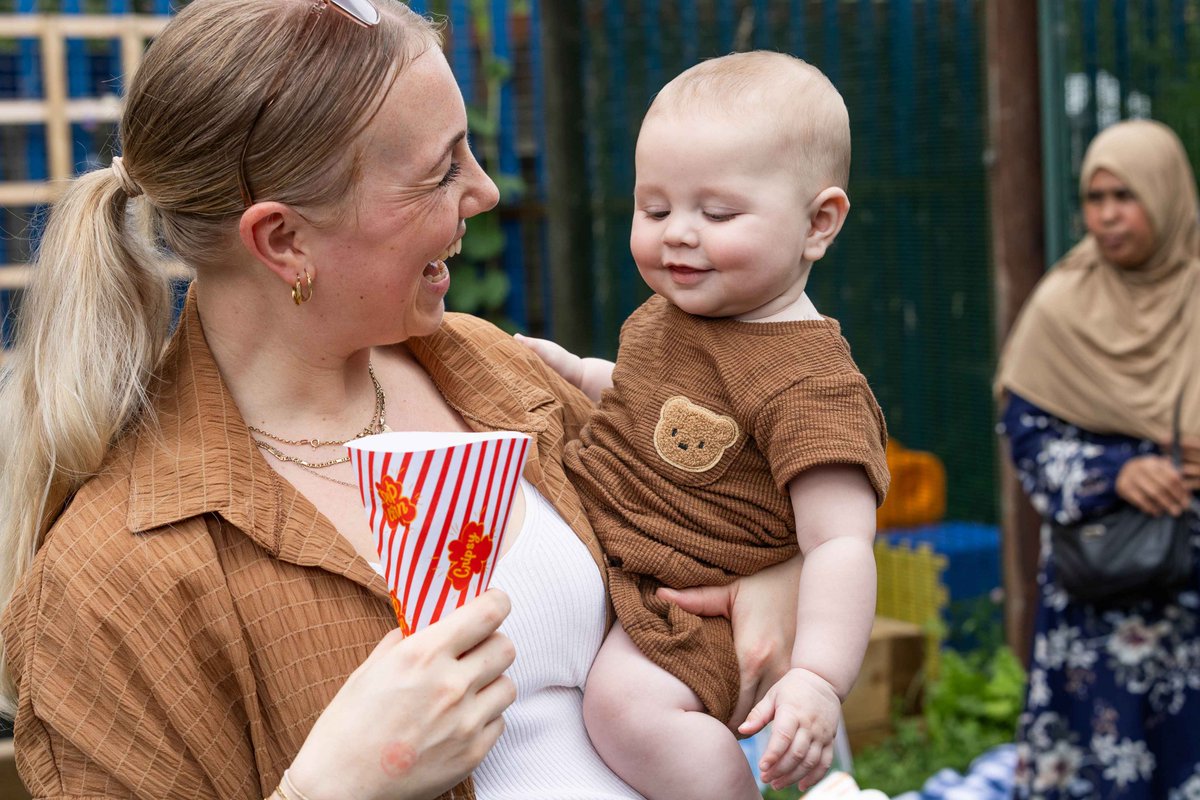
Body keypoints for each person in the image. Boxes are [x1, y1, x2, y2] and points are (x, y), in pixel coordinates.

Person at [0, 2, 804, 799]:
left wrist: (769, 578)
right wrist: (330, 791)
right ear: (283, 241)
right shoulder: (115, 580)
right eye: (440, 170)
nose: (484, 191)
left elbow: (711, 524)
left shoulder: (493, 371)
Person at [516, 52, 889, 799]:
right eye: (654, 210)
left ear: (819, 223)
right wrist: (574, 371)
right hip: (627, 558)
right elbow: (648, 401)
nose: (678, 234)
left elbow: (842, 542)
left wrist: (816, 676)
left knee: (627, 712)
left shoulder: (809, 381)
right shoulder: (677, 312)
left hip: (690, 607)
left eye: (716, 214)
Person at [995, 119, 1200, 799]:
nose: (1108, 216)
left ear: (1167, 196)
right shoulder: (1063, 304)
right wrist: (1116, 472)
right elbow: (1024, 432)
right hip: (1099, 599)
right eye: (1095, 197)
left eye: (1127, 196)